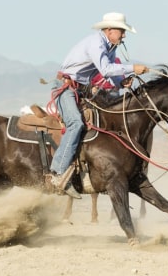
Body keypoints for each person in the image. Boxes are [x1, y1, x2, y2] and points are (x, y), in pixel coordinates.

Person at [48, 12, 149, 199]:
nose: (124, 36)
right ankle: (57, 173)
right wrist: (132, 68)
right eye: (122, 31)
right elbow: (105, 69)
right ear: (109, 30)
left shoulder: (109, 46)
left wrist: (121, 82)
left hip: (79, 90)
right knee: (76, 124)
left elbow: (111, 70)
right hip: (65, 88)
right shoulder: (96, 43)